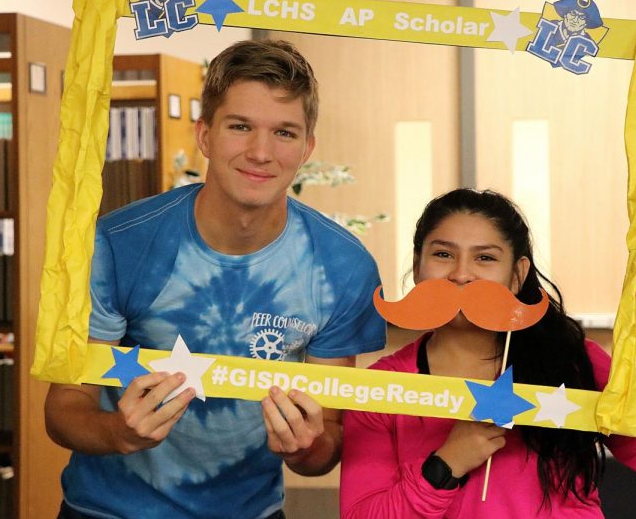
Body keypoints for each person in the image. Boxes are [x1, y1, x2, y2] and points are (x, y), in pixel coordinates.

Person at [45, 39, 387, 519]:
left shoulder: (342, 267)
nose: (260, 152)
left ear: (307, 148)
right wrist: (117, 433)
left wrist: (303, 449)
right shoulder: (119, 243)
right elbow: (63, 407)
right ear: (205, 135)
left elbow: (327, 439)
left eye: (284, 133)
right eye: (240, 126)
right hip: (106, 511)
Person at [339, 188, 636, 517]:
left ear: (517, 276)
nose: (461, 275)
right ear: (418, 268)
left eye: (485, 258)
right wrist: (445, 464)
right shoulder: (382, 389)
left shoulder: (573, 360)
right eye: (442, 254)